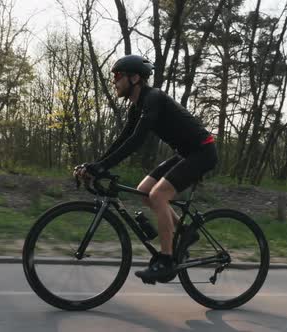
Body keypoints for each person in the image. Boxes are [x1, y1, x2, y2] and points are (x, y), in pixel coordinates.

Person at [74, 55, 218, 282]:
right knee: (144, 191)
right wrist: (96, 164)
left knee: (158, 195)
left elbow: (137, 140)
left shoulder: (154, 98)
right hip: (186, 153)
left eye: (118, 76)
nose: (114, 82)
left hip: (203, 152)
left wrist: (102, 167)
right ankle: (184, 232)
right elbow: (122, 140)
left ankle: (166, 260)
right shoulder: (137, 107)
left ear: (135, 78)